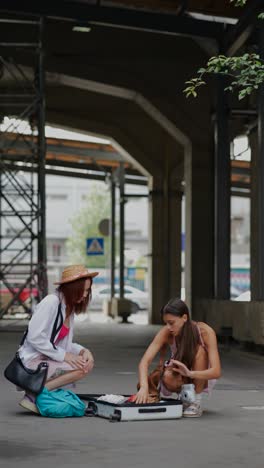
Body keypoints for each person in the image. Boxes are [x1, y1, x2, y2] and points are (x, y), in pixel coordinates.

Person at [18, 264, 98, 414]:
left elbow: (63, 344)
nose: (86, 294)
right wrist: (64, 356)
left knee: (85, 364)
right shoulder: (51, 302)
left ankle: (37, 393)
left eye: (88, 290)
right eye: (84, 290)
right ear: (73, 288)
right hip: (31, 360)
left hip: (46, 358)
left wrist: (83, 351)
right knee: (80, 367)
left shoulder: (68, 308)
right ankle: (33, 394)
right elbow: (35, 337)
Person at [135, 297, 221, 417]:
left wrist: (190, 374)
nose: (168, 327)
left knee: (200, 351)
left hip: (201, 374)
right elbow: (144, 362)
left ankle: (196, 401)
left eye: (172, 323)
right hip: (181, 373)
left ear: (184, 318)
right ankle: (185, 395)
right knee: (167, 375)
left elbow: (216, 372)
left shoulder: (205, 332)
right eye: (166, 323)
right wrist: (144, 388)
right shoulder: (166, 332)